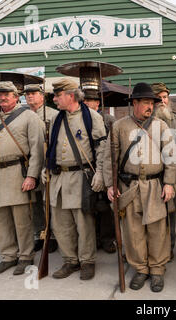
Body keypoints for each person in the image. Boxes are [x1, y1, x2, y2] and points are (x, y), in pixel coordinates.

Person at [104, 82, 176, 292]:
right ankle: (140, 269)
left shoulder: (161, 126)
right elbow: (110, 158)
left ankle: (156, 270)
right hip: (130, 186)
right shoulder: (119, 126)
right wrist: (111, 184)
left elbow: (171, 157)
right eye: (146, 103)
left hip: (155, 185)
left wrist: (170, 183)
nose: (150, 107)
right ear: (134, 103)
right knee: (133, 231)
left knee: (157, 231)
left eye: (152, 103)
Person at [0, 81, 44, 275]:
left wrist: (32, 176)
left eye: (6, 94)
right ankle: (8, 256)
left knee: (21, 219)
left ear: (16, 96)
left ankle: (25, 256)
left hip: (17, 173)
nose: (2, 97)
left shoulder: (29, 116)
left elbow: (37, 150)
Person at [44, 78, 106, 280]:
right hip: (58, 177)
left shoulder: (92, 117)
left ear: (70, 96)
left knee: (83, 222)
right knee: (61, 224)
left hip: (81, 177)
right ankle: (70, 261)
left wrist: (100, 173)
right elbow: (51, 145)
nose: (54, 99)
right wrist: (48, 166)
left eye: (57, 95)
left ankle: (87, 261)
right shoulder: (56, 119)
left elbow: (102, 148)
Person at [151, 82, 176, 261]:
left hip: (171, 173)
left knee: (170, 212)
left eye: (165, 97)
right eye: (158, 98)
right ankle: (151, 248)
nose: (162, 101)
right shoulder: (144, 120)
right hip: (149, 175)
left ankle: (169, 247)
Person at [24, 83, 59, 253]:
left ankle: (53, 235)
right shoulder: (22, 115)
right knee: (34, 202)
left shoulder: (54, 115)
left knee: (49, 202)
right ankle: (40, 234)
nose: (30, 96)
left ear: (42, 95)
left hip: (46, 164)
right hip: (28, 165)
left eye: (33, 93)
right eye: (27, 94)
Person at [83, 90, 117, 254]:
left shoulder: (108, 120)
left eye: (90, 100)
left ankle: (108, 238)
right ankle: (95, 238)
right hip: (86, 167)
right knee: (90, 205)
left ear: (97, 103)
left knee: (104, 205)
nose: (87, 103)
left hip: (105, 165)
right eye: (85, 100)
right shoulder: (81, 119)